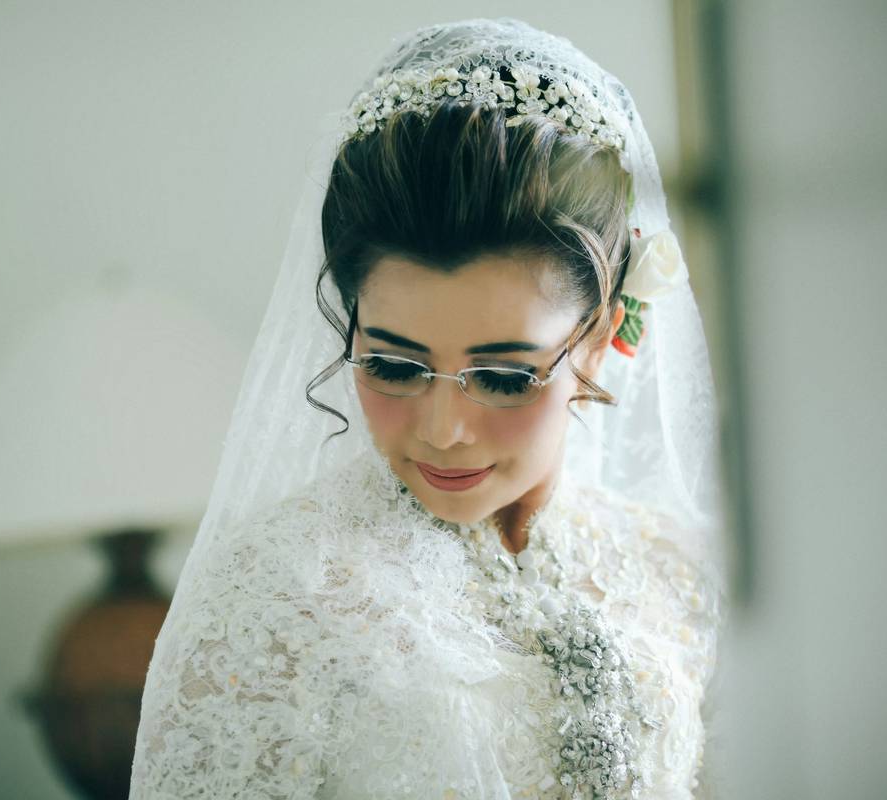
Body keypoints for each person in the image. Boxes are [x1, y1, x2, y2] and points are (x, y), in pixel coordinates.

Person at [129, 17, 727, 800]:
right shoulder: (276, 598)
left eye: (504, 377)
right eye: (394, 366)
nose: (444, 431)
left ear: (598, 339)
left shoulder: (674, 569)